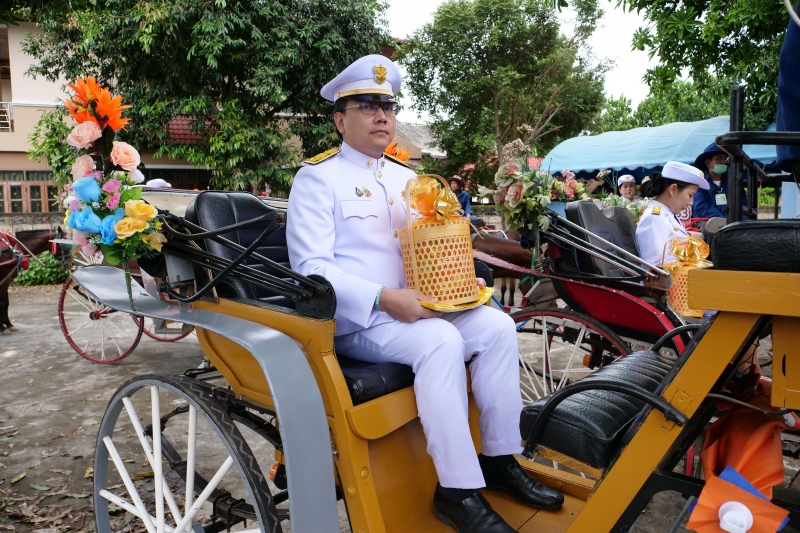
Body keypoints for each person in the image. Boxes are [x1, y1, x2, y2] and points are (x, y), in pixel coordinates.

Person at [286, 55, 562, 533]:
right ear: (340, 118)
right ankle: (456, 490)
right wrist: (382, 298)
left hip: (423, 310)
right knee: (442, 342)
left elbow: (432, 248)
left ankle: (499, 458)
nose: (381, 116)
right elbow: (310, 268)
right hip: (361, 322)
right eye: (367, 106)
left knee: (497, 326)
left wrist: (460, 283)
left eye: (388, 108)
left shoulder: (407, 179)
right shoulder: (317, 177)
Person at [636, 161, 709, 267]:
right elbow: (656, 269)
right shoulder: (654, 218)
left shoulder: (668, 215)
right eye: (690, 195)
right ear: (673, 189)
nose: (691, 203)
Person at [692, 143, 747, 220]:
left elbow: (743, 204)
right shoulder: (699, 182)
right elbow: (700, 207)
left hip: (733, 222)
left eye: (725, 158)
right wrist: (724, 219)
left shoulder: (734, 181)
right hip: (707, 220)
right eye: (718, 159)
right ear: (708, 163)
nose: (723, 161)